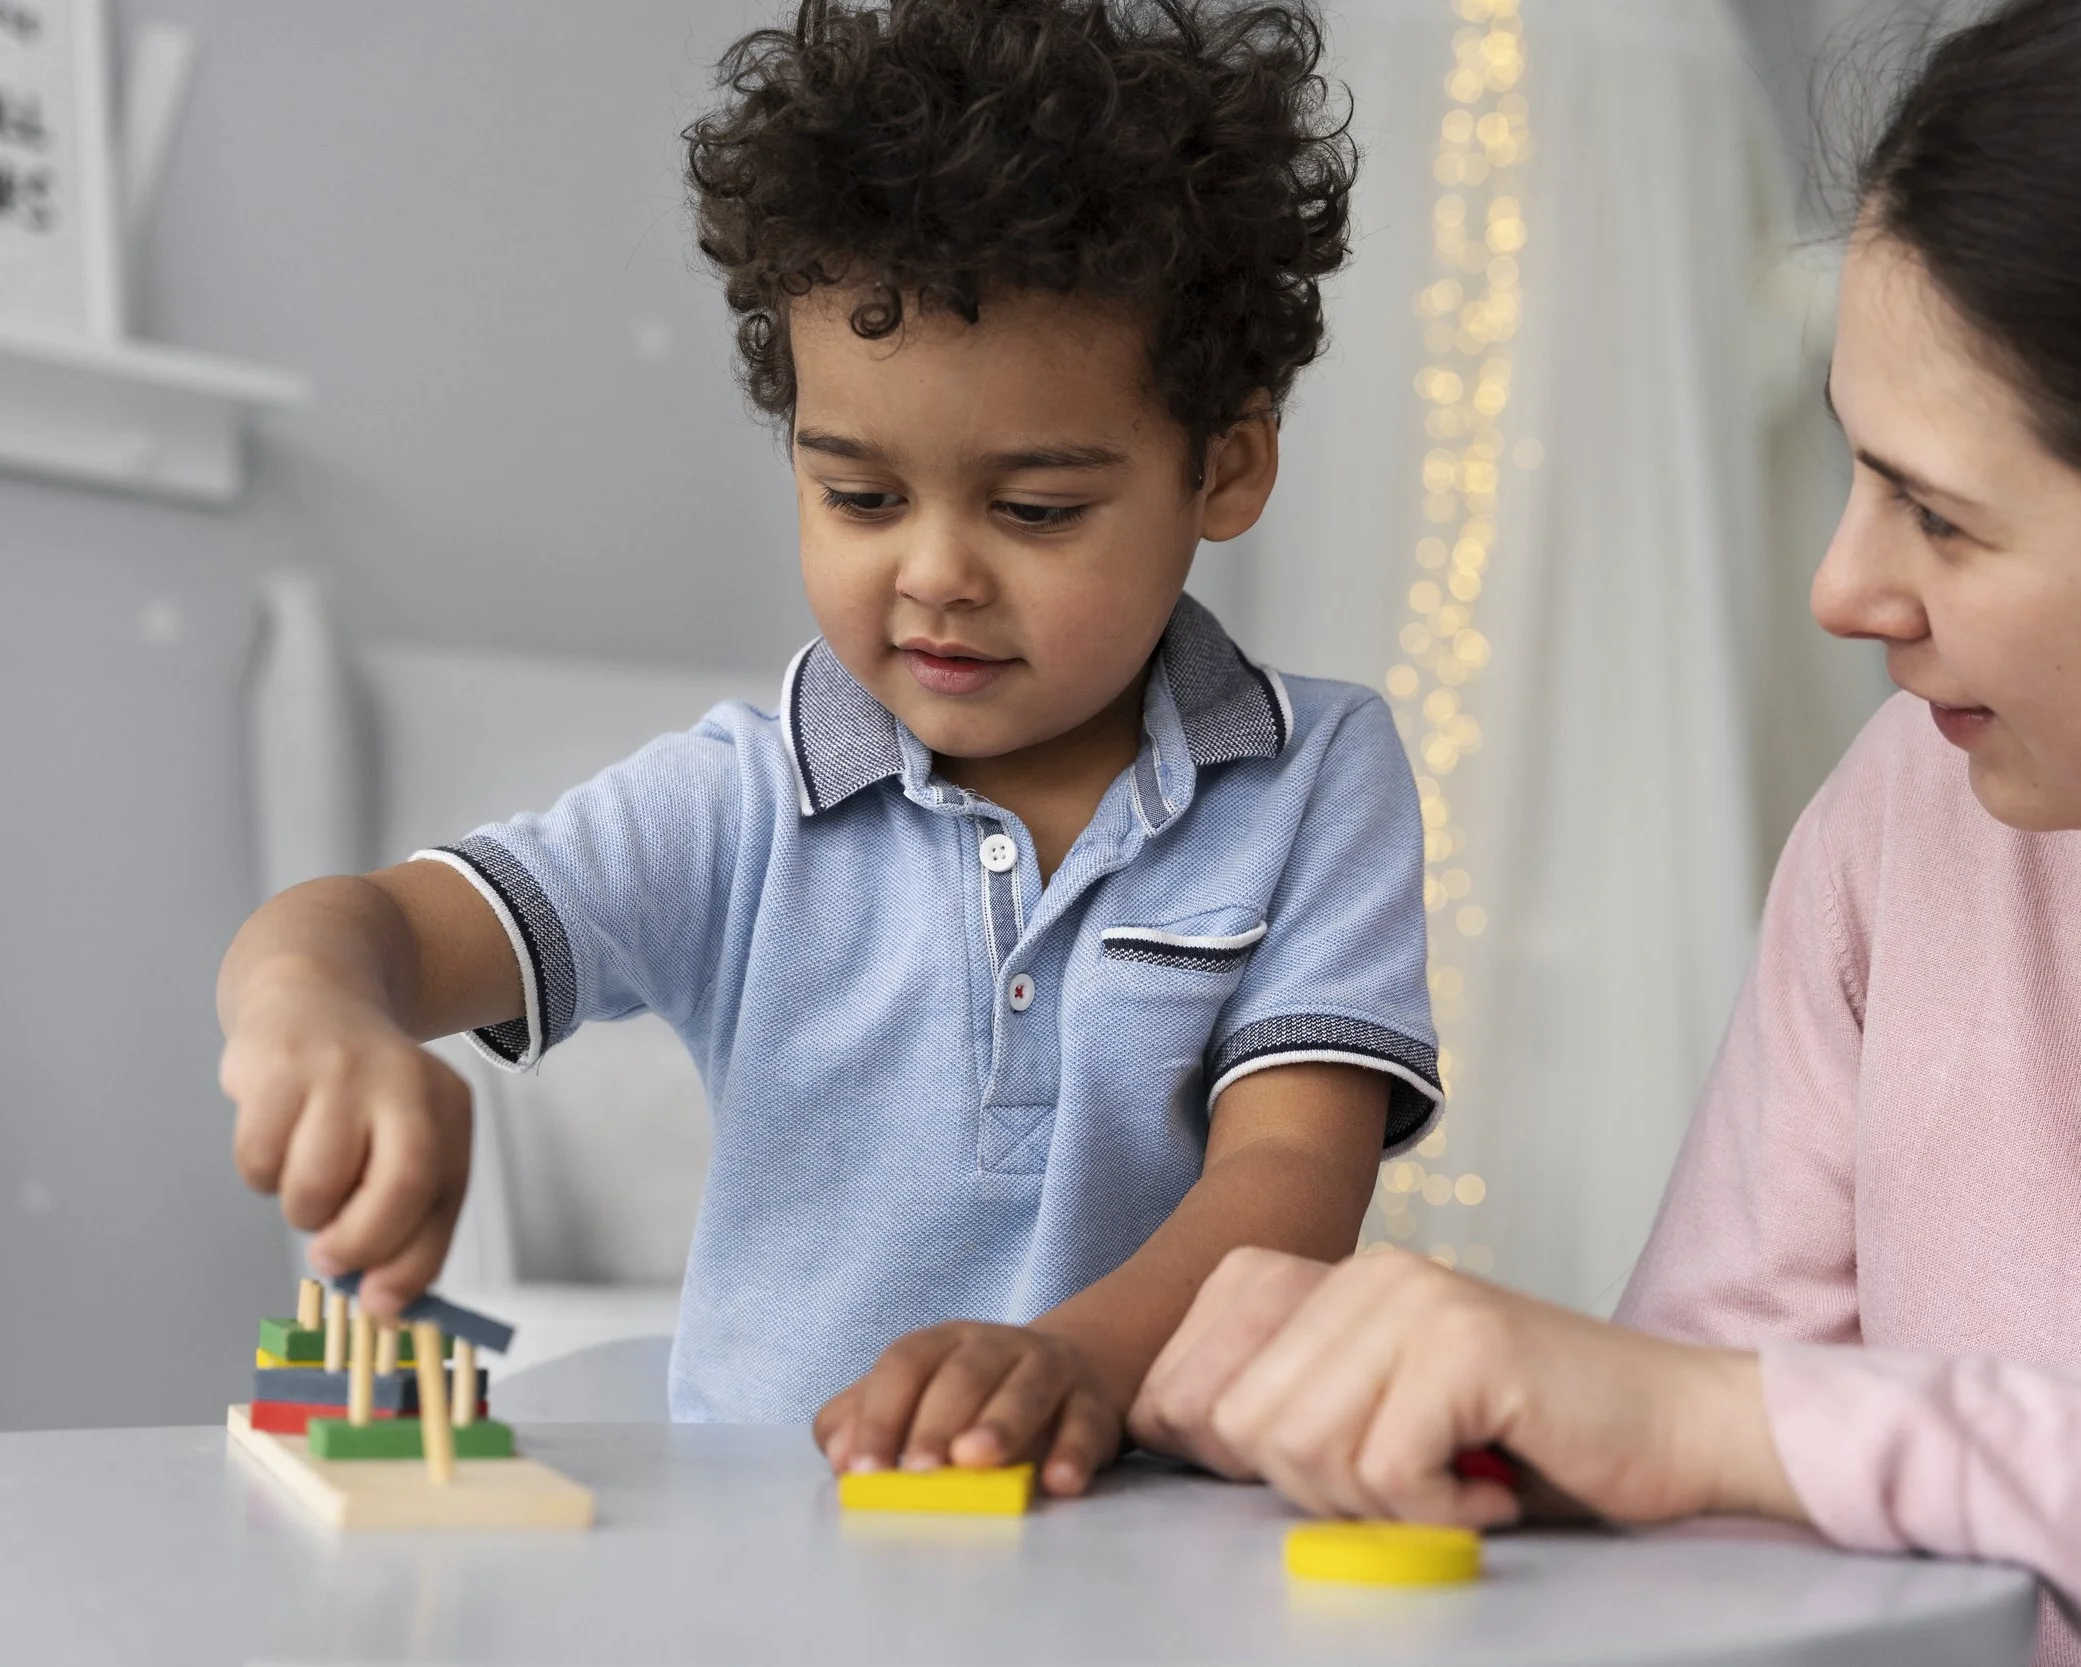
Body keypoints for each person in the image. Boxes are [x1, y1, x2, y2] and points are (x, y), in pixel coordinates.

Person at [1125, 0, 2081, 1661]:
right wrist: (1470, 1437)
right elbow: (1695, 1482)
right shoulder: (1915, 824)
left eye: (1944, 517)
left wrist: (1718, 1421)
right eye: (1859, 473)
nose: (1845, 591)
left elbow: (1720, 1417)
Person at [214, 0, 1440, 1498]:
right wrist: (318, 1013)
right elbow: (371, 928)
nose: (935, 574)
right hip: (781, 1554)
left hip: (1156, 1542)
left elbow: (1290, 1182)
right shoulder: (738, 806)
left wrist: (1073, 1368)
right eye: (861, 498)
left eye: (1036, 510)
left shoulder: (1316, 776)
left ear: (1227, 463)